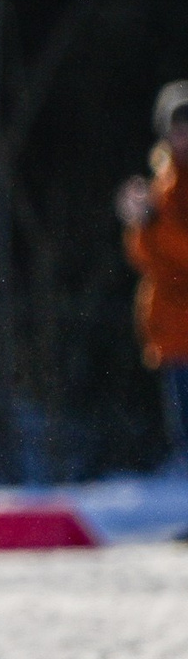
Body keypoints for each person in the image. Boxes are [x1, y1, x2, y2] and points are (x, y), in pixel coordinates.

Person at [117, 80, 188, 473]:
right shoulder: (162, 183)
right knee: (183, 438)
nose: (184, 137)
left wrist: (154, 223)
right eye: (177, 128)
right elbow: (146, 258)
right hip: (172, 333)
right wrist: (139, 221)